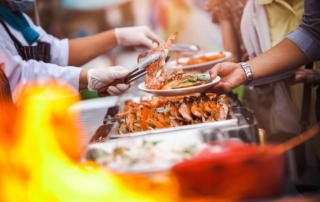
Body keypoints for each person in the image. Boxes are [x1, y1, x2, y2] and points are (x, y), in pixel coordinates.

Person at [0, 0, 162, 100]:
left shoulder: (13, 16)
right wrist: (89, 78)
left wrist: (118, 36)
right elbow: (17, 78)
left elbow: (54, 52)